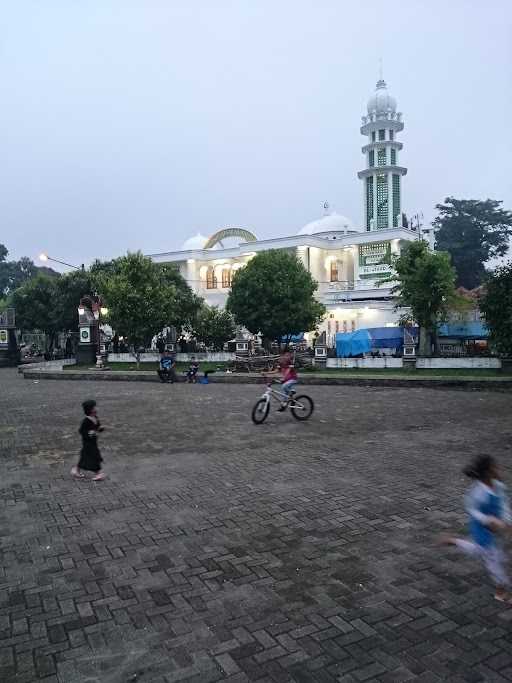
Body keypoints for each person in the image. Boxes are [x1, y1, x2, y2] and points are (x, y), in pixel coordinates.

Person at [441, 455, 511, 602]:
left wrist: (507, 521)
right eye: (495, 467)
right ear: (486, 472)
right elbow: (471, 509)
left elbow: (504, 505)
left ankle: (454, 541)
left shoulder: (498, 486)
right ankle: (500, 591)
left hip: (498, 528)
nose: (498, 469)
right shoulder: (477, 492)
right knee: (493, 560)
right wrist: (488, 520)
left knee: (483, 552)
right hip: (482, 530)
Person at [71, 400, 105, 481]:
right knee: (94, 456)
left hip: (93, 442)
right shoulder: (86, 421)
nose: (95, 409)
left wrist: (100, 429)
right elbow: (81, 431)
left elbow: (97, 426)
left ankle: (76, 470)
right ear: (89, 410)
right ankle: (98, 473)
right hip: (88, 442)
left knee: (85, 457)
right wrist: (89, 433)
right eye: (93, 408)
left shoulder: (95, 418)